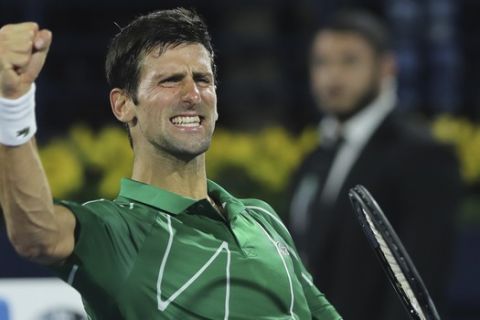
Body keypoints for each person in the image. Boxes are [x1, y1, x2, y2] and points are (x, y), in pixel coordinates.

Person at [0, 8, 341, 320]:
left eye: (202, 79)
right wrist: (13, 102)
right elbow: (37, 235)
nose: (193, 95)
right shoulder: (116, 232)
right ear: (123, 105)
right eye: (170, 80)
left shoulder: (262, 218)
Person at [288, 9, 461, 320]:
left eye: (349, 60)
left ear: (386, 67)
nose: (333, 75)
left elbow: (419, 286)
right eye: (321, 62)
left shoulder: (423, 156)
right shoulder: (313, 157)